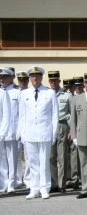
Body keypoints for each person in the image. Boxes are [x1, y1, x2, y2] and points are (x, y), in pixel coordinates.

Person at [17, 67, 59, 199]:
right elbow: (22, 116)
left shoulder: (49, 93)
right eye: (32, 77)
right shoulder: (24, 94)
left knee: (44, 162)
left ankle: (45, 188)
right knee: (33, 163)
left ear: (41, 78)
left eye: (37, 76)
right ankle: (34, 188)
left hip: (45, 132)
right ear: (29, 78)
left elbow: (55, 115)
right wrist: (22, 134)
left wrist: (54, 133)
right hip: (30, 133)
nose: (35, 79)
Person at [47, 71, 71, 194]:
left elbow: (71, 114)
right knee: (51, 157)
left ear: (59, 81)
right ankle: (53, 183)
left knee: (62, 156)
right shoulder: (46, 94)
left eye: (55, 80)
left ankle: (62, 184)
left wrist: (71, 129)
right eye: (51, 81)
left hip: (62, 125)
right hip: (50, 126)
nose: (53, 83)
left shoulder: (66, 95)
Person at [0, 67, 20, 193]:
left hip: (12, 130)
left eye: (4, 77)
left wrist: (19, 131)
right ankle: (3, 183)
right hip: (0, 130)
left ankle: (12, 183)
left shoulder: (16, 92)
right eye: (0, 77)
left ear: (10, 78)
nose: (2, 79)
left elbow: (20, 113)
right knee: (1, 159)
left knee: (12, 158)